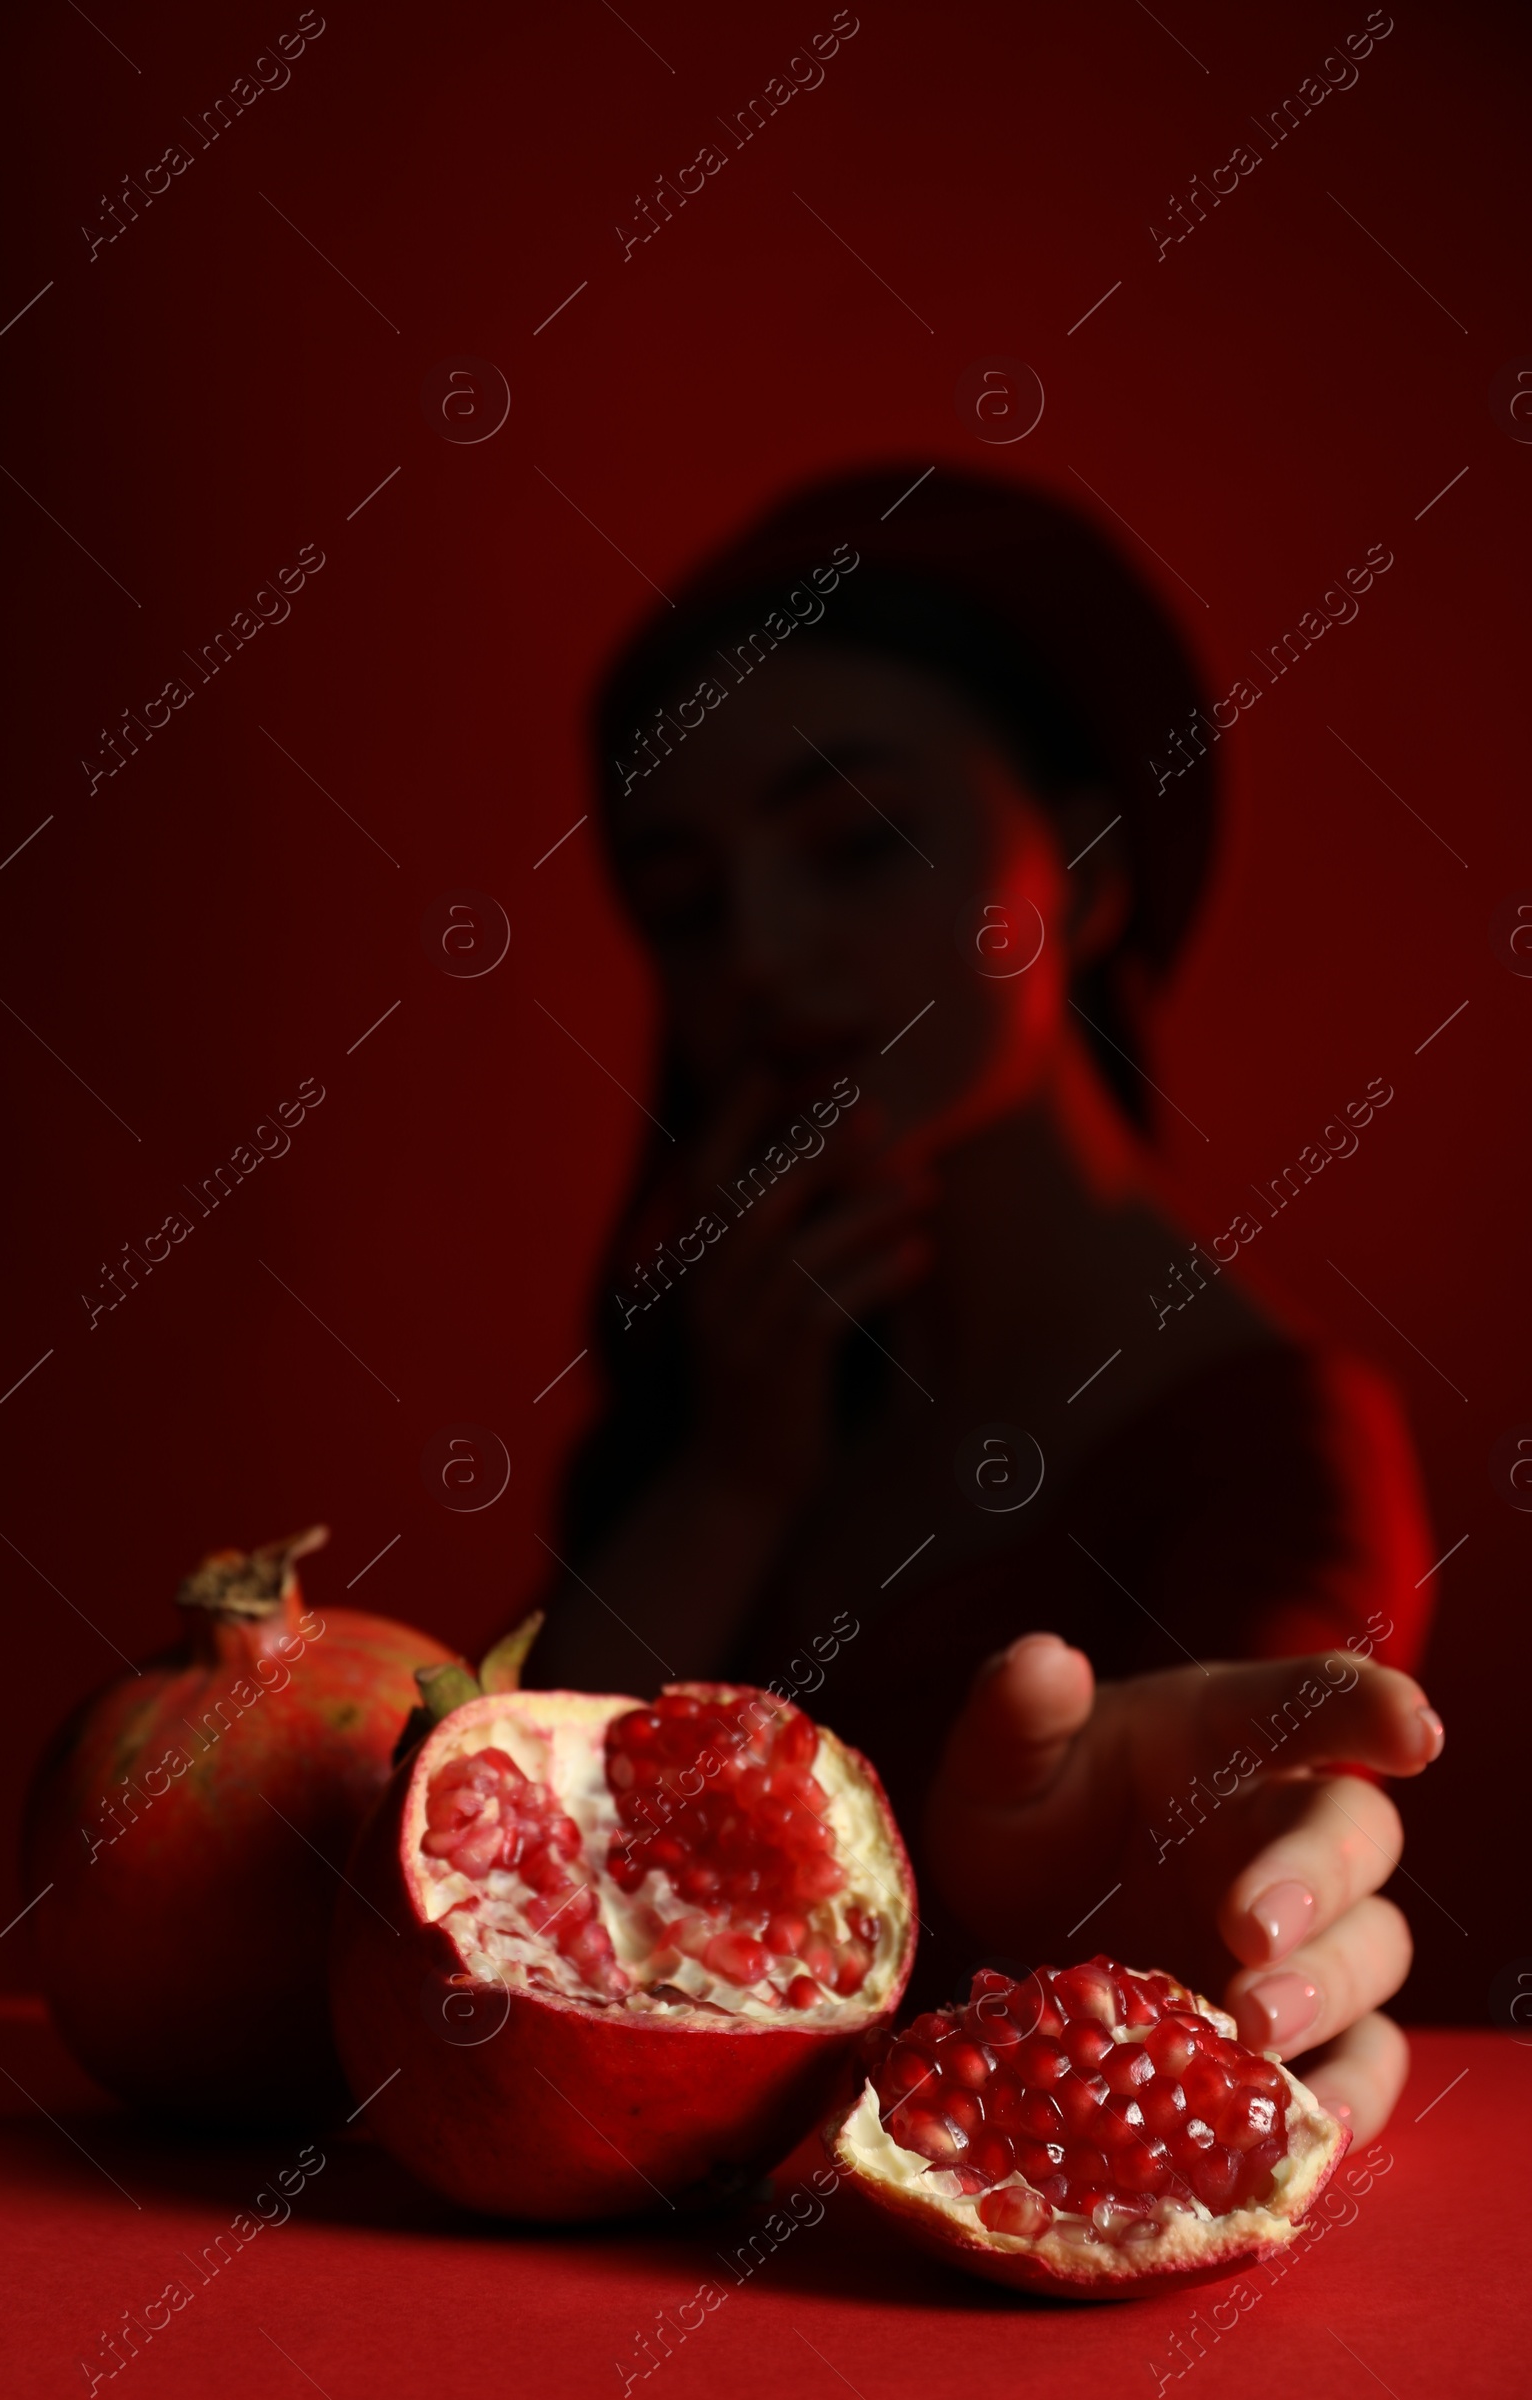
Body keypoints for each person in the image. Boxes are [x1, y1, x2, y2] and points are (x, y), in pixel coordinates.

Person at [534, 464, 1443, 2144]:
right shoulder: (734, 1382)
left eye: (854, 846)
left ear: (1087, 877)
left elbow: (1217, 1941)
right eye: (686, 901)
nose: (767, 954)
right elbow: (517, 1928)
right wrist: (730, 1483)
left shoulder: (1283, 1444)